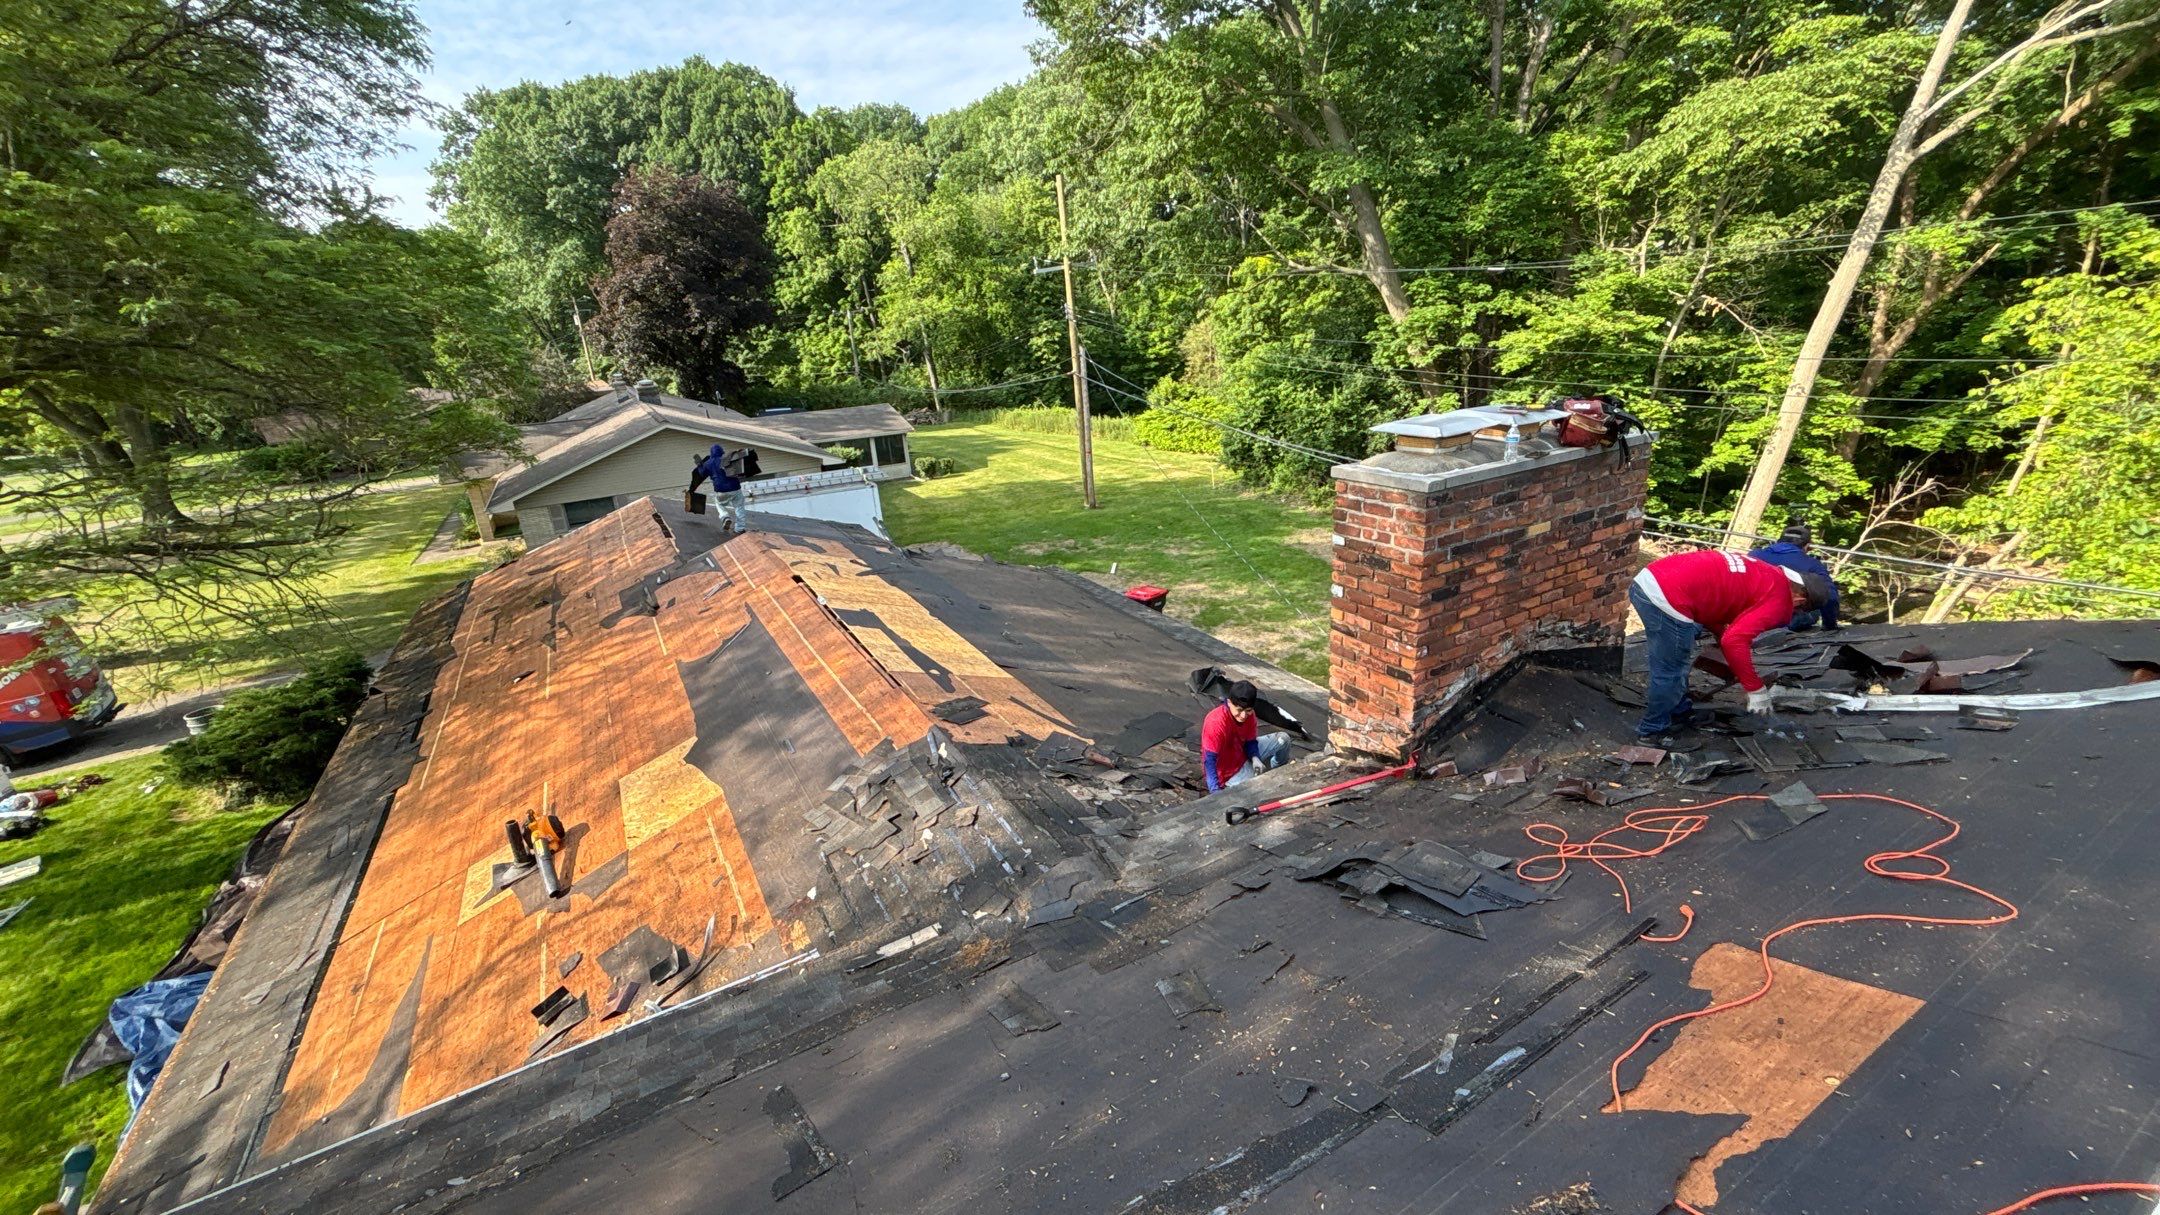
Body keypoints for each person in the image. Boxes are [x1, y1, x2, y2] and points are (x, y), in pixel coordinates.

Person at [1628, 549, 1834, 739]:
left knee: (1678, 658)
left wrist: (1721, 636)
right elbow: (1734, 641)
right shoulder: (1780, 602)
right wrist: (1755, 689)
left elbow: (1716, 603)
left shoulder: (1768, 574)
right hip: (1665, 595)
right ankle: (1653, 730)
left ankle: (1678, 710)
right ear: (1800, 600)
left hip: (1653, 578)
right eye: (1799, 610)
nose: (1794, 613)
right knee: (1671, 668)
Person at [1201, 680, 1293, 792]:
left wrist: (1255, 758)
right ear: (1229, 703)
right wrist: (1215, 792)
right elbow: (1209, 761)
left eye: (1248, 710)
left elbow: (1250, 741)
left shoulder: (1250, 715)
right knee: (1261, 787)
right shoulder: (1216, 723)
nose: (1243, 715)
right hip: (1227, 773)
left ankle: (1277, 768)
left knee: (1284, 739)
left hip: (1243, 754)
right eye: (1239, 710)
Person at [1750, 522, 1842, 630]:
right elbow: (1829, 597)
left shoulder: (1754, 555)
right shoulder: (1812, 564)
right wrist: (1830, 624)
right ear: (1807, 546)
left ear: (1778, 541)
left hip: (1747, 611)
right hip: (1782, 619)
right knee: (1813, 604)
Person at [688, 443, 747, 532]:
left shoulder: (708, 463)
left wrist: (700, 465)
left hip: (721, 490)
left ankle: (725, 517)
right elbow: (740, 467)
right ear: (722, 452)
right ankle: (740, 528)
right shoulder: (728, 459)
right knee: (739, 507)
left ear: (711, 453)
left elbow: (701, 474)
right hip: (735, 488)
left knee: (719, 504)